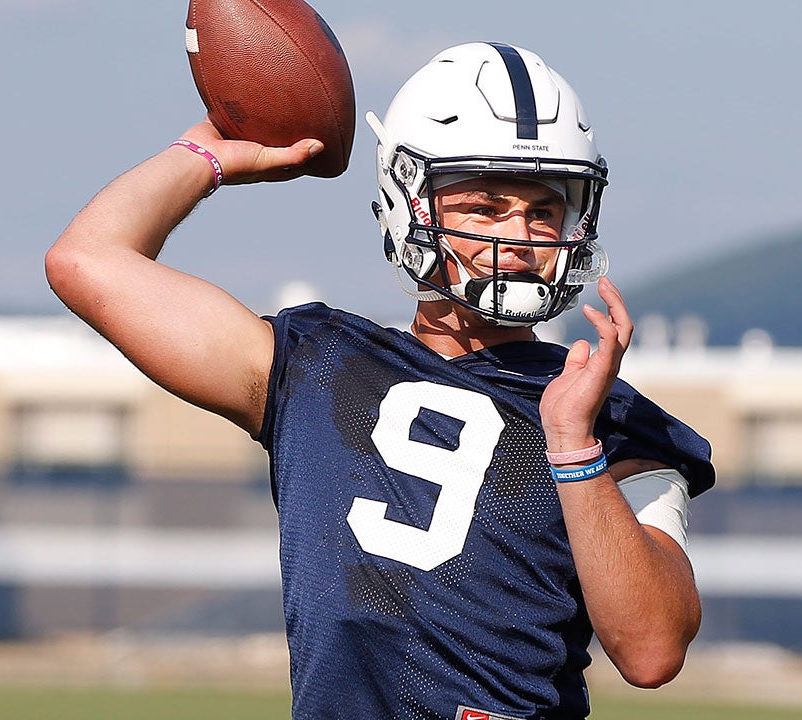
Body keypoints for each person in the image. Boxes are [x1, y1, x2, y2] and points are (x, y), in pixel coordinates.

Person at [47, 41, 714, 720]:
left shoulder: (609, 416)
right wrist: (204, 159)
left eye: (543, 209)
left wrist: (574, 446)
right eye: (486, 207)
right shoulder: (318, 364)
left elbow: (652, 651)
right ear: (410, 204)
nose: (519, 235)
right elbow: (87, 261)